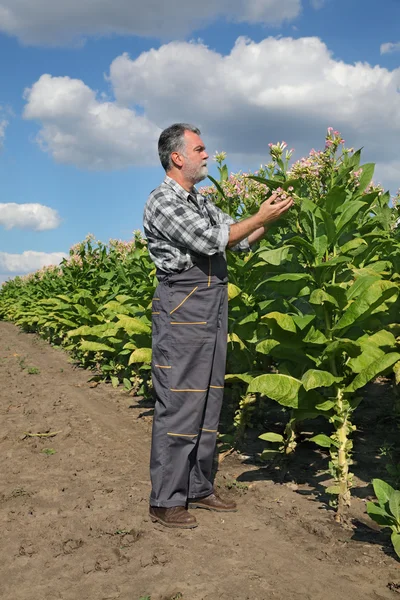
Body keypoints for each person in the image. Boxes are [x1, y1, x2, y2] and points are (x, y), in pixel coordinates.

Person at [143, 123, 293, 529]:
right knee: (179, 400)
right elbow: (212, 240)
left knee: (208, 399)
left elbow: (238, 239)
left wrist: (272, 215)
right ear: (178, 157)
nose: (207, 155)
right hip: (183, 305)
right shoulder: (162, 201)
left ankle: (197, 486)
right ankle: (166, 499)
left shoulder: (199, 200)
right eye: (200, 148)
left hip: (210, 304)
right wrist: (258, 216)